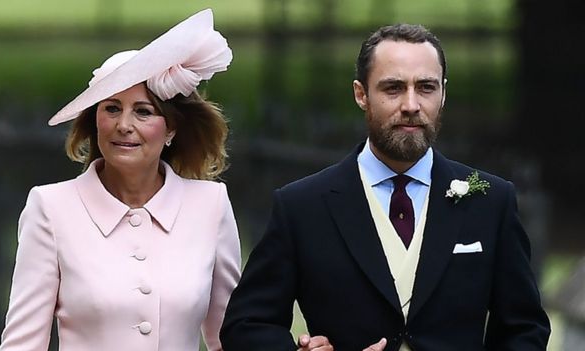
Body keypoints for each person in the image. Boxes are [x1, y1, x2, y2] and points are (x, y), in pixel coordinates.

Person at [220, 24, 550, 351]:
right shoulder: (302, 207)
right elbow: (245, 325)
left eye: (426, 87)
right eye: (393, 88)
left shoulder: (491, 201)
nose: (411, 104)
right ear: (361, 94)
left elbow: (524, 329)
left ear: (443, 93)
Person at [0, 9, 241, 351]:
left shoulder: (211, 204)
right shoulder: (51, 208)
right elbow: (23, 345)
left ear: (171, 128)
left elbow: (231, 338)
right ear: (94, 120)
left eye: (143, 111)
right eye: (111, 108)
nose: (123, 124)